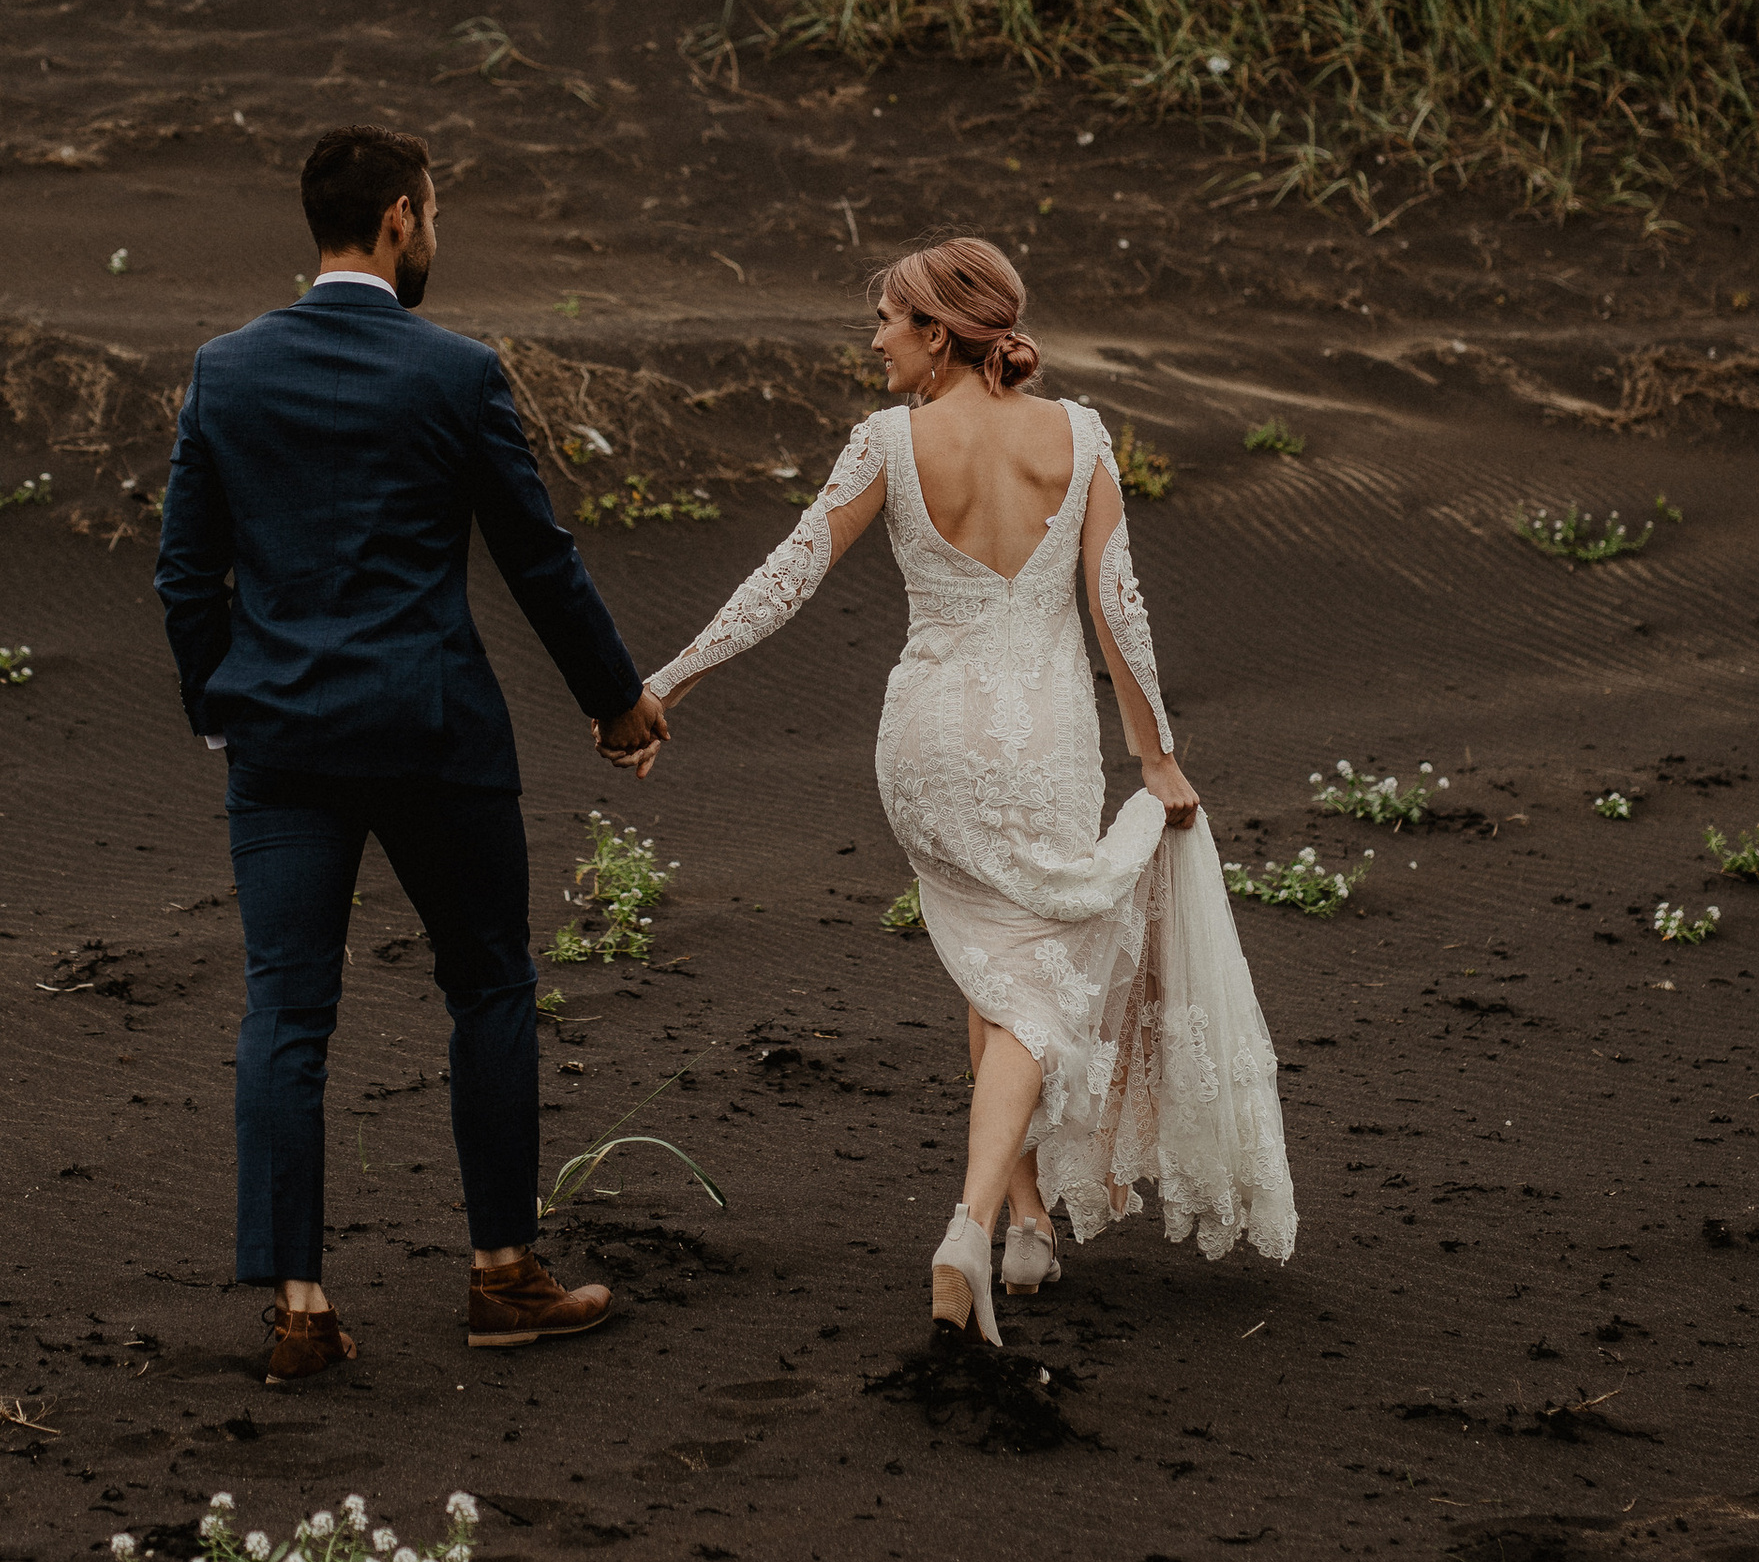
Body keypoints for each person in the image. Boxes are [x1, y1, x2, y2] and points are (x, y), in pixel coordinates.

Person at [631, 235, 1295, 1340]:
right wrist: (1157, 754)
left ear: (939, 334)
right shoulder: (1079, 437)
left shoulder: (889, 443)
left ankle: (1030, 1228)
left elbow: (787, 575)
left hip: (928, 749)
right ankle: (971, 1224)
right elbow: (1115, 607)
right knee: (1035, 984)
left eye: (887, 319)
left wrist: (665, 684)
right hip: (1042, 744)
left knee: (997, 972)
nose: (875, 338)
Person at [156, 123, 670, 1382]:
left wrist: (222, 707)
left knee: (287, 1007)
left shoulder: (226, 372)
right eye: (431, 213)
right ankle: (501, 1276)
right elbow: (534, 555)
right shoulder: (454, 372)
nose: (434, 233)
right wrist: (615, 699)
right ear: (396, 219)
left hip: (279, 741)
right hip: (433, 731)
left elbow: (185, 574)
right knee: (488, 985)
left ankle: (299, 1311)